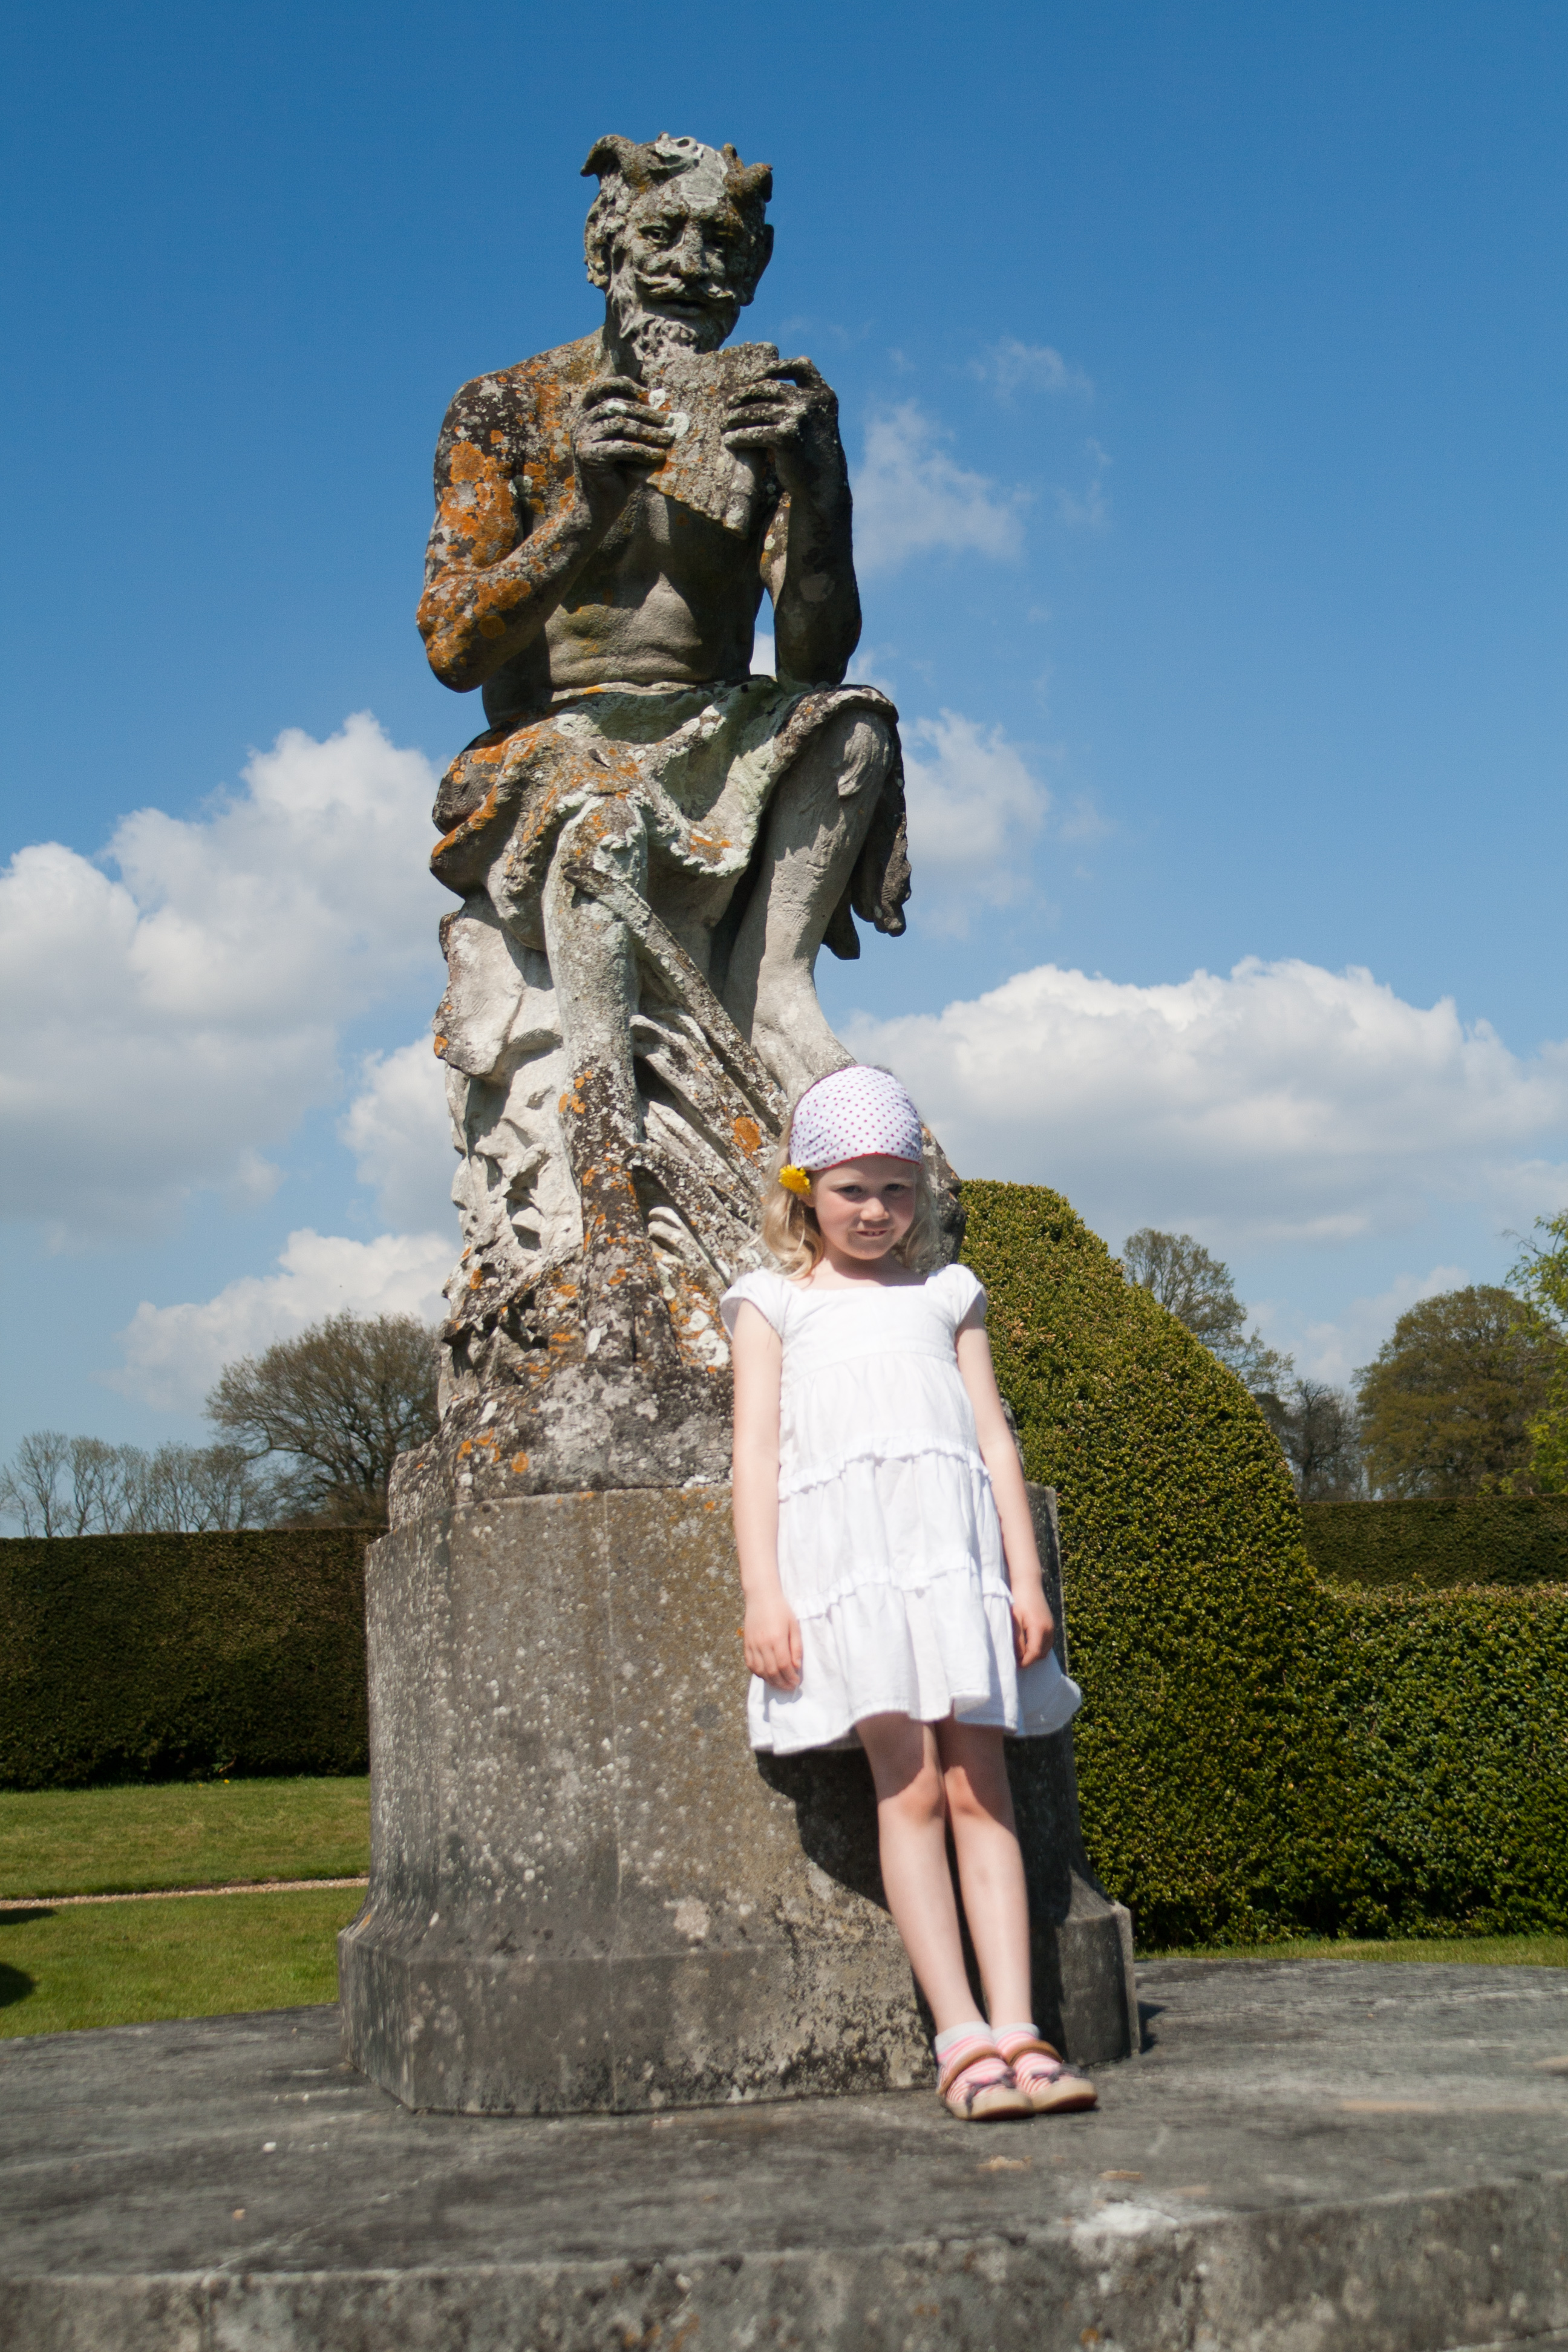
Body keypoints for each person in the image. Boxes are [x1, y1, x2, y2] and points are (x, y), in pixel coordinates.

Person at [722, 1065, 1099, 2124]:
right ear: (806, 1191)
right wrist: (764, 1595)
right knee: (913, 1786)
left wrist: (1026, 1579)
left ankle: (1021, 2030)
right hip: (856, 1579)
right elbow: (754, 1457)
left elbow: (994, 1442)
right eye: (853, 1190)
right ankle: (960, 2037)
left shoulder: (947, 1295)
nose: (876, 1210)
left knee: (982, 1789)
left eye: (897, 1189)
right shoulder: (774, 1305)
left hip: (955, 1572)